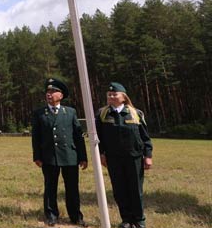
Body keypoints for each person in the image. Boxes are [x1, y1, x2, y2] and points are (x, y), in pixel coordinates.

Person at [31, 78, 88, 227]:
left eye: (53, 91)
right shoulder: (39, 113)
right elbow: (36, 137)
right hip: (49, 156)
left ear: (61, 95)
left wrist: (83, 156)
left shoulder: (70, 112)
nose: (49, 94)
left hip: (70, 156)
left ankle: (76, 216)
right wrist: (37, 156)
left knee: (72, 188)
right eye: (47, 92)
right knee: (50, 187)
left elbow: (78, 136)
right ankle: (51, 215)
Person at [96, 82, 153, 228]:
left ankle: (139, 220)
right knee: (119, 190)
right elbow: (99, 137)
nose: (111, 96)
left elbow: (145, 137)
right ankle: (126, 219)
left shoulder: (135, 113)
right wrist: (101, 154)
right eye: (109, 94)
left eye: (115, 94)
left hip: (134, 157)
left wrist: (148, 155)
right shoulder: (102, 114)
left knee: (135, 189)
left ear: (123, 97)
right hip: (113, 158)